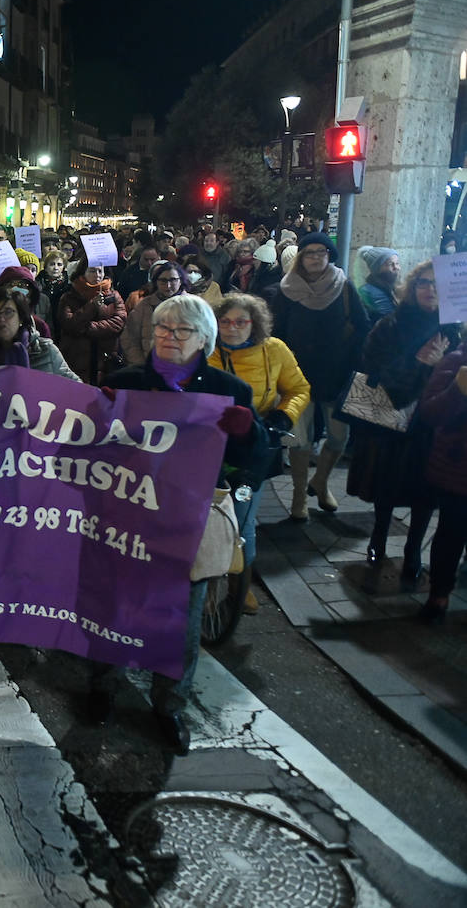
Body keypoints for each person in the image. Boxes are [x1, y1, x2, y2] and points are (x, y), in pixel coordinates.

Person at [90, 295, 268, 755]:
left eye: (181, 331)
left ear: (204, 340)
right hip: (126, 520)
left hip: (185, 525)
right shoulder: (126, 383)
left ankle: (169, 706)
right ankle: (103, 687)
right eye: (164, 329)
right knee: (115, 608)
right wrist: (98, 413)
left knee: (183, 623)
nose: (169, 337)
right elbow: (87, 448)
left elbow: (256, 462)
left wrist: (249, 432)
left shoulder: (231, 392)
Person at [346, 260, 458, 592]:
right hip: (391, 423)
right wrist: (419, 363)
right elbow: (374, 373)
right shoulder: (389, 326)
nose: (430, 289)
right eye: (423, 282)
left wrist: (442, 369)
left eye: (437, 284)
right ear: (411, 287)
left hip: (431, 426)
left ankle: (413, 551)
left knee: (425, 491)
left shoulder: (454, 331)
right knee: (387, 486)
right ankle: (379, 536)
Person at [209, 294, 311, 612]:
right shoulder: (205, 349)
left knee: (243, 520)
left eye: (241, 321)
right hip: (209, 445)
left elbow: (298, 388)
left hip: (254, 447)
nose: (232, 327)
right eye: (225, 321)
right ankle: (206, 580)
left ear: (255, 323)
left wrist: (282, 417)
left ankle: (240, 586)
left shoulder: (274, 350)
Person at [272, 232, 370, 520]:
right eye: (309, 252)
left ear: (329, 256)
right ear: (300, 258)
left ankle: (321, 481)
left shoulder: (344, 287)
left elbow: (363, 327)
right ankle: (299, 496)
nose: (315, 257)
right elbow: (276, 333)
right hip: (297, 378)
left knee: (340, 437)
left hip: (338, 376)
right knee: (301, 441)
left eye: (321, 252)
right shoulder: (287, 289)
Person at [418, 343, 467, 624]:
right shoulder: (457, 359)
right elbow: (430, 413)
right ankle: (439, 595)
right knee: (451, 534)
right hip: (458, 470)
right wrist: (458, 390)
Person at [0, 284, 79, 380]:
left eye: (8, 312)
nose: (1, 318)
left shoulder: (46, 351)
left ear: (21, 318)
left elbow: (77, 390)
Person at [56, 263, 126, 385]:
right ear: (83, 273)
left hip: (106, 359)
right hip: (77, 358)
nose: (97, 275)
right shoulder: (68, 297)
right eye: (92, 271)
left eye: (100, 271)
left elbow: (118, 323)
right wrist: (92, 306)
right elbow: (69, 324)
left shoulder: (114, 296)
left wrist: (88, 328)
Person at [121, 262, 188, 366]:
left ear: (180, 280)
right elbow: (129, 338)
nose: (168, 285)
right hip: (149, 368)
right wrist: (141, 365)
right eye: (163, 281)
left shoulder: (192, 305)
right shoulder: (144, 305)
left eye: (173, 280)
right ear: (156, 282)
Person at [357, 246, 400, 322]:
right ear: (377, 269)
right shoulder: (368, 291)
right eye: (391, 264)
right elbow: (389, 319)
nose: (396, 267)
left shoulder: (388, 288)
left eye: (397, 263)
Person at [37, 249, 70, 324]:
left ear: (64, 267)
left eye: (59, 264)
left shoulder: (68, 286)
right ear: (45, 267)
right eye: (52, 264)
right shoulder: (38, 284)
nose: (56, 268)